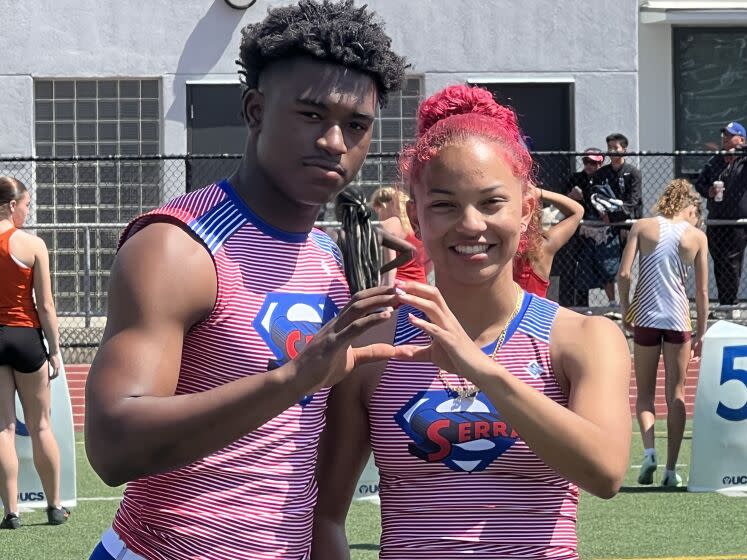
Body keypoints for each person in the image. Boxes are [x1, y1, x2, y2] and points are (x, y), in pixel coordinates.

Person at [84, 2, 406, 559]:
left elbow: (315, 457)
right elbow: (113, 444)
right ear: (255, 110)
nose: (335, 141)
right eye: (311, 115)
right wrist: (293, 378)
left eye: (356, 125)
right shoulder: (178, 245)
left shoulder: (334, 259)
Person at [312, 85, 631, 558]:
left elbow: (605, 472)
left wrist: (480, 368)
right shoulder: (375, 346)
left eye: (490, 202)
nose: (470, 224)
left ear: (525, 212)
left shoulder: (583, 337)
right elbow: (326, 515)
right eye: (443, 204)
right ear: (415, 218)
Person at [618, 180, 708, 487]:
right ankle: (670, 470)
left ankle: (648, 453)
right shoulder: (696, 236)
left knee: (644, 393)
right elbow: (703, 291)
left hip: (645, 315)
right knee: (677, 393)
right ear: (690, 208)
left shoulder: (642, 226)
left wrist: (626, 307)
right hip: (678, 318)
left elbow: (625, 273)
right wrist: (702, 331)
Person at [0, 177, 69, 529]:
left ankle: (11, 512)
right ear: (12, 205)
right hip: (26, 339)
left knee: (3, 428)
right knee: (41, 425)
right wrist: (54, 350)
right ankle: (55, 506)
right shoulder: (33, 244)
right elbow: (45, 305)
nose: (28, 211)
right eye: (26, 204)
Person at [694, 121, 747, 306]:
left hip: (737, 222)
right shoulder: (716, 160)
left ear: (741, 138)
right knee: (719, 261)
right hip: (716, 219)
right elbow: (699, 183)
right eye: (724, 134)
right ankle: (724, 302)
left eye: (730, 135)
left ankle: (730, 303)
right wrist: (708, 191)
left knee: (732, 262)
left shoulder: (744, 160)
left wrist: (740, 150)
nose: (725, 137)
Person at [590, 133, 643, 311]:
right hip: (606, 227)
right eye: (610, 148)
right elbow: (594, 196)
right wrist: (602, 213)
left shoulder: (633, 173)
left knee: (624, 266)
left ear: (624, 150)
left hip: (627, 226)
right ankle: (613, 303)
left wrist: (614, 215)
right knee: (607, 265)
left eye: (616, 148)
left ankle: (626, 303)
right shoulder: (601, 174)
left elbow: (633, 202)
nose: (612, 151)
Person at [335, 185, 415, 294]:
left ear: (340, 209)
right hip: (371, 295)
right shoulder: (376, 233)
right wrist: (381, 270)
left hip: (345, 294)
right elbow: (410, 251)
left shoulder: (336, 235)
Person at [513, 186, 584, 298]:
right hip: (537, 314)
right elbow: (578, 211)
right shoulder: (544, 245)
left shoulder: (497, 249)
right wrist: (539, 193)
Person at [557, 148, 605, 306]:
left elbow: (601, 206)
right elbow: (561, 202)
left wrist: (583, 198)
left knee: (587, 266)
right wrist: (570, 197)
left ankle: (584, 305)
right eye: (586, 161)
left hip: (595, 230)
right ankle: (566, 303)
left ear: (601, 162)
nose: (589, 165)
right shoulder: (575, 178)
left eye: (593, 162)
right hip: (574, 229)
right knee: (568, 265)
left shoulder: (604, 179)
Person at [370, 186, 431, 285]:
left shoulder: (389, 225)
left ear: (385, 206)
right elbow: (429, 262)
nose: (379, 216)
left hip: (399, 287)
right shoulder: (418, 226)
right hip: (420, 286)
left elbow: (391, 269)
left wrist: (385, 296)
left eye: (378, 211)